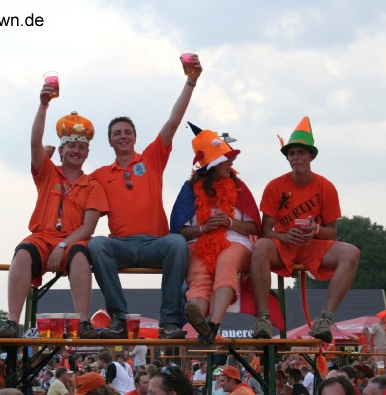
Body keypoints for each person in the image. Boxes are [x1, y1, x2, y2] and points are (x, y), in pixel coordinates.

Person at [89, 53, 203, 340]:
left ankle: (169, 323)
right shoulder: (100, 174)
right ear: (110, 140)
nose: (123, 136)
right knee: (96, 243)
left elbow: (173, 122)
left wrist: (190, 81)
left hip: (156, 244)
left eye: (127, 132)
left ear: (135, 137)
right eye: (117, 133)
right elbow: (74, 190)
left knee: (177, 242)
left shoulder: (151, 159)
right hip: (122, 246)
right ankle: (119, 318)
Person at [0, 83, 108, 339]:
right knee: (22, 253)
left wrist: (63, 246)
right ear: (61, 150)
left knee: (80, 255)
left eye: (81, 147)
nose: (76, 151)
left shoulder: (93, 184)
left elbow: (89, 228)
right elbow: (35, 142)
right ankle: (13, 322)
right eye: (71, 146)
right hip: (42, 237)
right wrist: (44, 105)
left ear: (87, 152)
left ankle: (83, 322)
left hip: (72, 240)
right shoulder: (47, 172)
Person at [249, 116, 360, 340]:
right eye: (291, 153)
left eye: (300, 153)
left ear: (311, 156)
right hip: (283, 245)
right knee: (260, 246)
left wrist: (315, 229)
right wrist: (285, 235)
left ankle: (325, 320)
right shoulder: (275, 186)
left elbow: (332, 232)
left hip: (313, 246)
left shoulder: (325, 187)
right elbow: (265, 230)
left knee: (351, 252)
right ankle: (263, 319)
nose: (296, 158)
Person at [170, 125, 260, 345]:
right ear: (213, 165)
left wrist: (229, 222)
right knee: (199, 277)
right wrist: (203, 229)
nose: (231, 163)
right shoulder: (189, 190)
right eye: (226, 159)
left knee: (225, 261)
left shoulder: (239, 187)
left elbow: (255, 228)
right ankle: (198, 319)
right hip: (200, 244)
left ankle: (214, 325)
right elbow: (178, 230)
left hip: (236, 244)